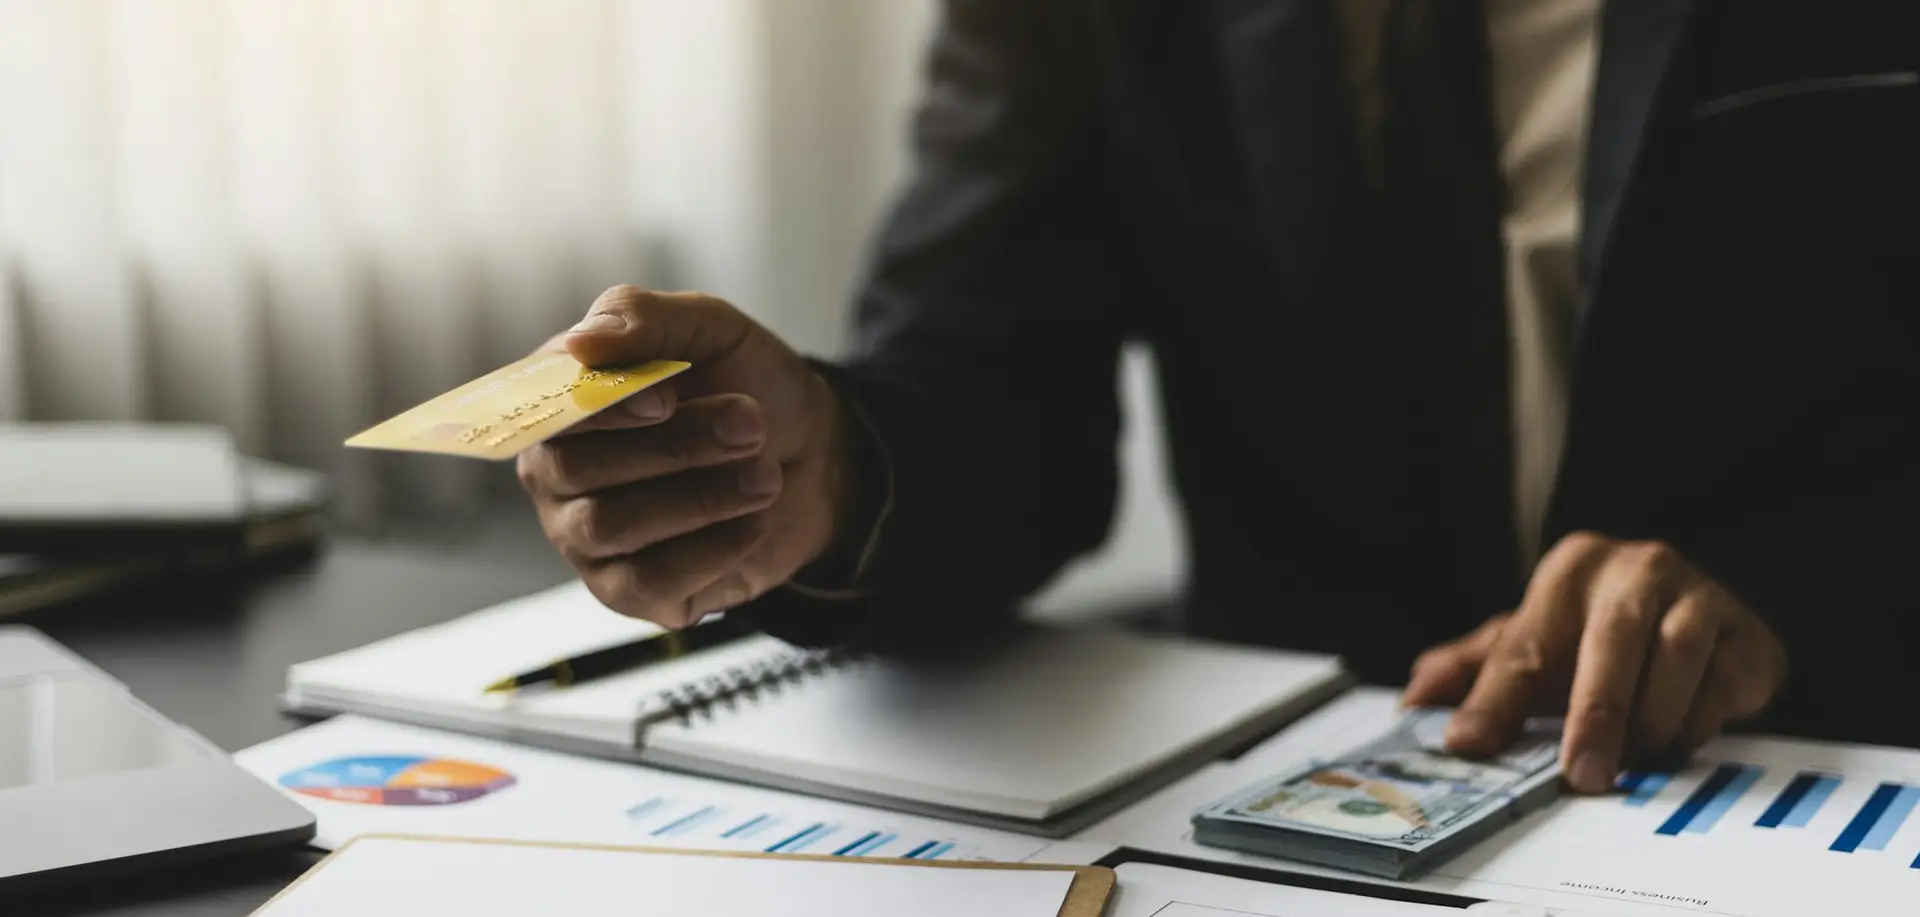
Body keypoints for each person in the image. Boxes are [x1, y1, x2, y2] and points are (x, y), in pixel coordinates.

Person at [516, 0, 1919, 794]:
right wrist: (818, 472)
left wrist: (1792, 590)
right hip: (1291, 835)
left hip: (1826, 778)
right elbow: (992, 387)